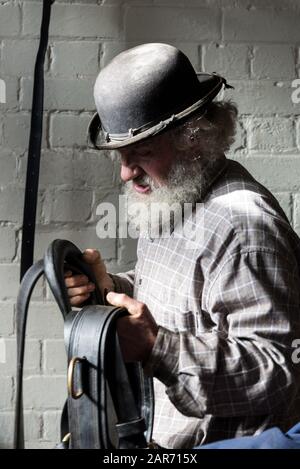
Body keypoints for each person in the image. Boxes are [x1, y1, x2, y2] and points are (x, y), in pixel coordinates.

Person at [64, 43, 300, 448]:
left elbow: (282, 371)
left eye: (142, 152)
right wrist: (111, 288)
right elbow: (191, 295)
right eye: (121, 154)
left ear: (194, 138)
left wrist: (157, 348)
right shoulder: (175, 193)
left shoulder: (244, 230)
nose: (124, 172)